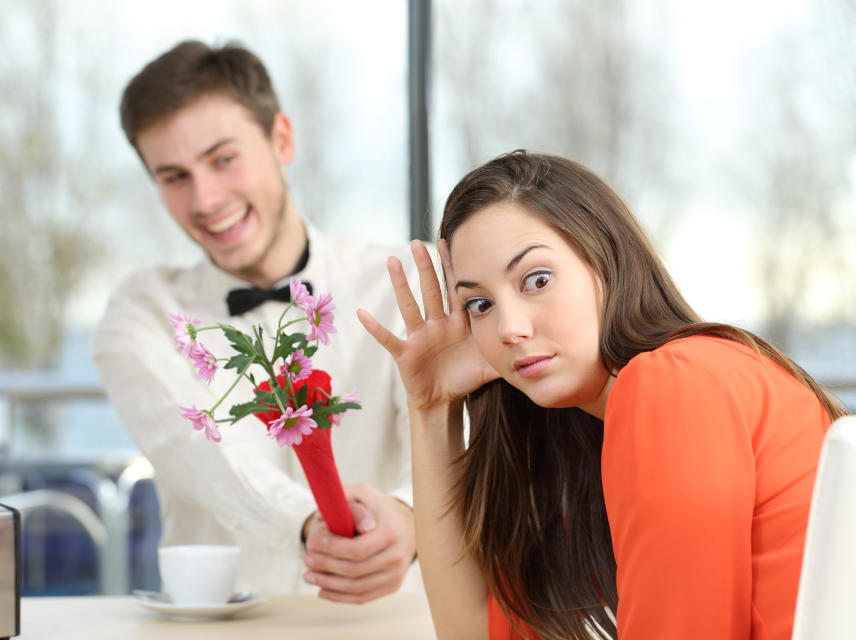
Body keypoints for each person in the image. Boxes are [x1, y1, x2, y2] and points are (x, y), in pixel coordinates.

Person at [358, 151, 849, 639]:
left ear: (605, 259)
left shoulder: (673, 383)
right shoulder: (608, 430)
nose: (509, 328)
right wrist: (431, 408)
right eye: (480, 305)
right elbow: (471, 634)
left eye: (536, 280)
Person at [93, 40, 419, 602]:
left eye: (223, 159)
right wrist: (312, 526)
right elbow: (202, 454)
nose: (206, 198)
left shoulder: (400, 283)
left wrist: (411, 520)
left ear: (282, 139)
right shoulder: (140, 314)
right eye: (174, 177)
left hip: (383, 625)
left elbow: (452, 450)